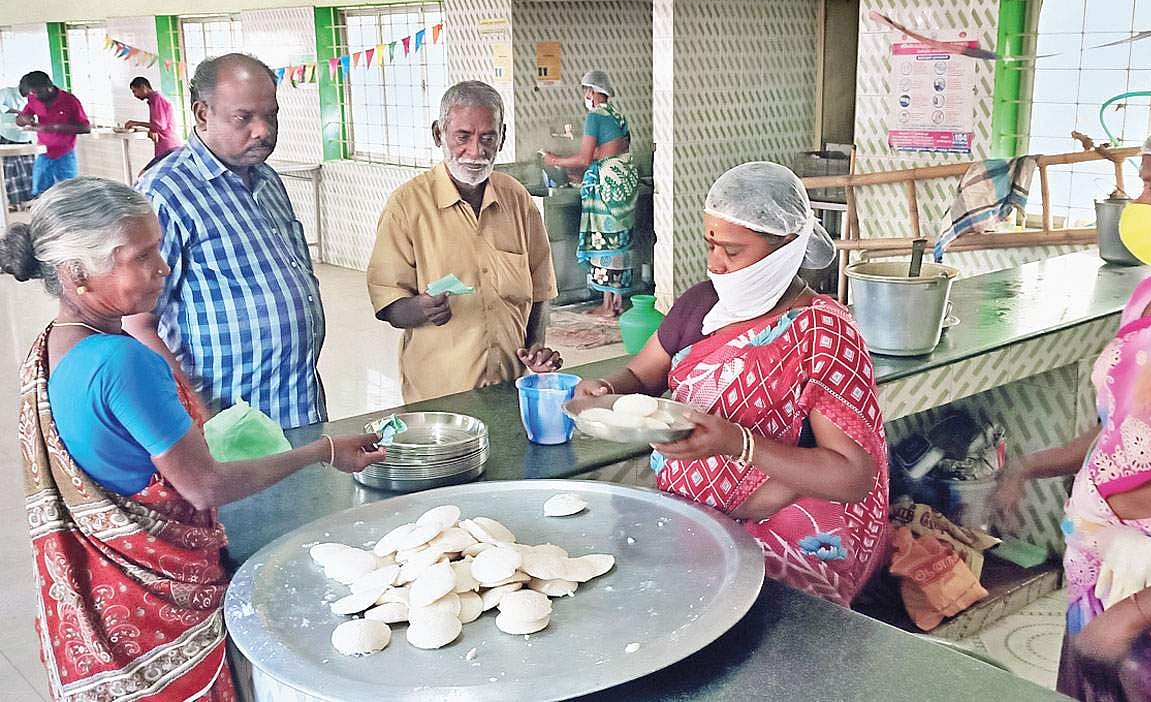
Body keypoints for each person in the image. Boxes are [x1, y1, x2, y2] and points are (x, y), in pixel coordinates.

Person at [0, 176, 384, 701]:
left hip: (106, 610)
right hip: (157, 610)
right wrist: (324, 450)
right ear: (78, 274)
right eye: (141, 255)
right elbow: (204, 486)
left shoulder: (52, 349)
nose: (163, 266)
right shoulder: (123, 361)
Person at [575, 162, 889, 606]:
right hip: (696, 521)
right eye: (711, 244)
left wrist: (739, 444)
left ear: (785, 247)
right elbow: (640, 375)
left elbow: (852, 476)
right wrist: (606, 388)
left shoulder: (824, 332)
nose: (715, 264)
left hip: (785, 532)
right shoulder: (700, 303)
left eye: (734, 251)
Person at [991, 115, 1151, 701]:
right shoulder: (1150, 292)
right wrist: (1025, 467)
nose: (1140, 201)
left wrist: (1136, 612)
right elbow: (1118, 431)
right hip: (1099, 563)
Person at [124, 53, 327, 429]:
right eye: (244, 117)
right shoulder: (166, 192)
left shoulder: (267, 181)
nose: (263, 130)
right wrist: (197, 413)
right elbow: (138, 323)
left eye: (271, 115)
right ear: (202, 114)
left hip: (297, 407)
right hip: (227, 425)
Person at [368, 80, 562, 403]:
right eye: (463, 137)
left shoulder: (518, 201)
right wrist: (421, 309)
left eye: (488, 138)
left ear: (502, 137)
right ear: (438, 135)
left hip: (509, 390)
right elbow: (388, 303)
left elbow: (540, 291)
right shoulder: (406, 206)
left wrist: (535, 349)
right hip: (439, 398)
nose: (476, 152)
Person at [542, 70, 639, 318]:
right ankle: (614, 300)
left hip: (606, 185)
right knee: (618, 241)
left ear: (593, 92)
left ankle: (608, 306)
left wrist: (556, 160)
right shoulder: (618, 116)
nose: (585, 95)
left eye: (586, 90)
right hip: (624, 181)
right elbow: (613, 149)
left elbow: (586, 158)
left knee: (604, 239)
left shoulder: (594, 117)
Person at [14, 70, 89, 196]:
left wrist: (55, 127)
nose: (35, 96)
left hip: (65, 152)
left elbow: (86, 128)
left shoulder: (69, 100)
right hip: (43, 152)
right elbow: (20, 119)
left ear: (48, 87)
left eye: (38, 92)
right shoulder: (33, 98)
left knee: (70, 192)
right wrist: (24, 119)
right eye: (32, 93)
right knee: (40, 192)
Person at [124, 76, 183, 168]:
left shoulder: (157, 99)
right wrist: (152, 130)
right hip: (167, 147)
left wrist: (135, 123)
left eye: (134, 91)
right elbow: (158, 125)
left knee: (144, 175)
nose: (134, 95)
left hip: (169, 147)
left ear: (143, 87)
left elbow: (159, 126)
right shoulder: (153, 100)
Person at [0, 79, 35, 209]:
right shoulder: (6, 93)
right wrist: (16, 112)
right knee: (10, 171)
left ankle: (28, 201)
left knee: (29, 169)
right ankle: (13, 202)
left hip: (25, 137)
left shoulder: (34, 98)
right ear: (23, 87)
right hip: (7, 136)